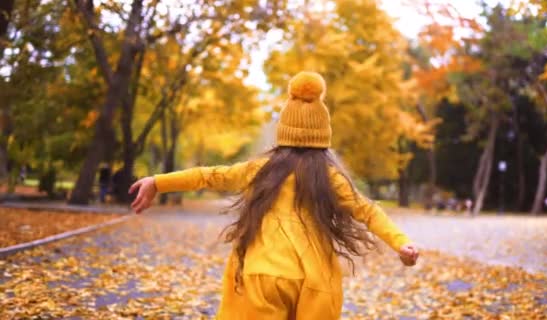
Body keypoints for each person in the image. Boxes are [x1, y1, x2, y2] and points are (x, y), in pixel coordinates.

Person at [129, 71, 419, 319]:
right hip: (313, 281)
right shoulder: (328, 177)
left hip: (261, 273)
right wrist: (401, 243)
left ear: (284, 131)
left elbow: (210, 175)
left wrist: (158, 181)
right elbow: (367, 210)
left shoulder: (262, 169)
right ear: (323, 134)